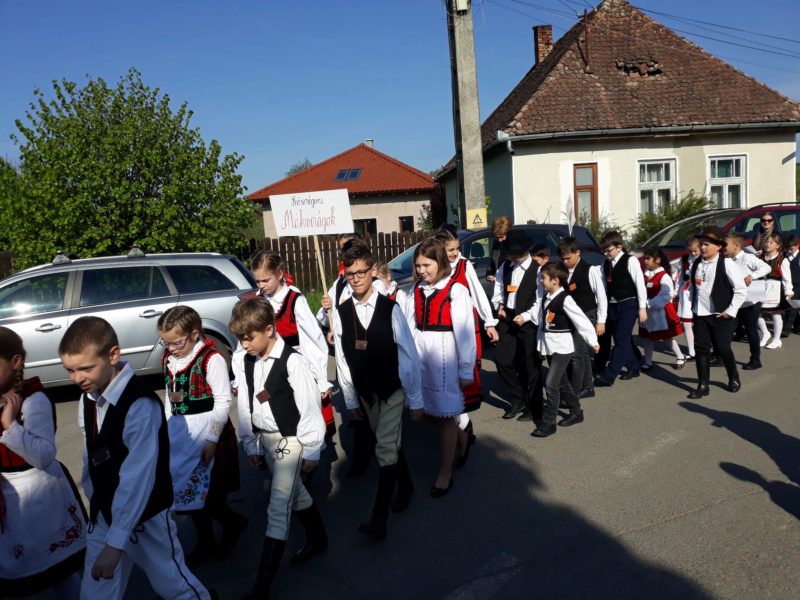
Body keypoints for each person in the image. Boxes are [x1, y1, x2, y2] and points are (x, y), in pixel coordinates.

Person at [59, 316, 210, 600]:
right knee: (95, 594)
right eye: (70, 370)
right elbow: (91, 454)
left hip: (146, 517)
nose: (77, 378)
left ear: (113, 355)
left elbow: (137, 477)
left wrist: (116, 543)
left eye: (86, 368)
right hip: (105, 513)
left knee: (175, 587)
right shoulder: (88, 397)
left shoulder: (140, 405)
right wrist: (97, 505)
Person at [230, 297, 328, 600]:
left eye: (249, 337)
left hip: (291, 439)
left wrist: (312, 449)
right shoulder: (246, 360)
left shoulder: (293, 362)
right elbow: (246, 405)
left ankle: (262, 587)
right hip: (268, 439)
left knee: (278, 505)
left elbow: (309, 407)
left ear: (269, 330)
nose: (244, 344)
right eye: (240, 338)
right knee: (296, 493)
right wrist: (251, 443)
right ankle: (318, 538)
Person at [333, 243, 422, 540]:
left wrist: (415, 398)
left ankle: (379, 518)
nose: (356, 278)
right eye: (351, 274)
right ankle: (406, 485)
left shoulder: (390, 309)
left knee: (384, 447)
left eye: (361, 272)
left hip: (391, 388)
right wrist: (350, 400)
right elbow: (343, 359)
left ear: (373, 271)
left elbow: (408, 354)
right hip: (365, 393)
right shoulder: (342, 312)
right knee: (389, 442)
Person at [0, 327, 86, 599]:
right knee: (22, 569)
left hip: (39, 495)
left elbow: (44, 455)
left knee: (60, 570)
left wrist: (10, 425)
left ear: (15, 362)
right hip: (9, 499)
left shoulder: (33, 400)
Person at [157, 306, 245, 566]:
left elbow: (223, 401)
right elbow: (169, 396)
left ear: (194, 334)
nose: (171, 348)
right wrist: (167, 428)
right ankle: (206, 541)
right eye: (165, 342)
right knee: (188, 492)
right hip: (181, 432)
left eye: (176, 342)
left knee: (211, 494)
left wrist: (212, 439)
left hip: (208, 433)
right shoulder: (169, 358)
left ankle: (233, 523)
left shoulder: (211, 359)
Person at [405, 238, 476, 497]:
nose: (421, 270)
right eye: (418, 265)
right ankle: (462, 436)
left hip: (444, 356)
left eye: (427, 265)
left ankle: (445, 472)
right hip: (421, 354)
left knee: (445, 416)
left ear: (440, 262)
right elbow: (408, 326)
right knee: (429, 412)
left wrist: (466, 369)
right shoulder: (415, 290)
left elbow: (465, 333)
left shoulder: (456, 291)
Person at [317, 234, 382, 479]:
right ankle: (363, 456)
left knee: (378, 415)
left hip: (374, 359)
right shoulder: (339, 284)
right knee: (359, 415)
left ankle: (387, 458)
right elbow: (326, 317)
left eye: (348, 247)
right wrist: (326, 311)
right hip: (349, 356)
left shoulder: (377, 284)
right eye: (342, 251)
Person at [250, 250, 335, 433]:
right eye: (257, 281)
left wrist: (320, 378)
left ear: (280, 274)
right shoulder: (258, 302)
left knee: (303, 413)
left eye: (265, 280)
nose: (261, 285)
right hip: (268, 365)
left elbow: (313, 339)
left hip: (296, 365)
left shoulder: (294, 300)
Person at [434, 226, 499, 459]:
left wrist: (489, 322)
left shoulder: (463, 265)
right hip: (440, 330)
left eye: (456, 248)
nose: (454, 253)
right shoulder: (433, 267)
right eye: (450, 249)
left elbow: (478, 293)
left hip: (463, 327)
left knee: (460, 380)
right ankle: (459, 427)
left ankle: (462, 428)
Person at [525, 263, 599, 437]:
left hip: (563, 349)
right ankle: (576, 412)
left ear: (555, 280)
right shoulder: (546, 297)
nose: (541, 281)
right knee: (562, 382)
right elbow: (542, 325)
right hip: (550, 347)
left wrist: (592, 341)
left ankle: (549, 422)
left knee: (551, 383)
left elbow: (581, 320)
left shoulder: (565, 299)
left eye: (543, 278)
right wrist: (541, 347)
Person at [686, 228, 748, 399]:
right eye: (701, 244)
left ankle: (733, 377)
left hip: (720, 314)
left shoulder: (727, 264)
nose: (702, 248)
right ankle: (703, 385)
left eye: (706, 244)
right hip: (700, 314)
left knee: (722, 347)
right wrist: (692, 307)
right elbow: (692, 288)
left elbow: (741, 290)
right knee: (701, 349)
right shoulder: (696, 264)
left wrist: (730, 311)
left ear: (718, 247)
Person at [491, 230, 544, 422]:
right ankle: (517, 398)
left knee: (529, 366)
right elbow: (498, 289)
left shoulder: (538, 270)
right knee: (502, 359)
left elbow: (540, 300)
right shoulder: (505, 267)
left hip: (527, 322)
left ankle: (534, 405)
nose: (513, 258)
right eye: (511, 254)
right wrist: (499, 305)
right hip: (508, 319)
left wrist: (526, 316)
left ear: (527, 251)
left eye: (517, 255)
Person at [595, 231, 648, 387]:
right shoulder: (606, 264)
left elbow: (640, 284)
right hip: (613, 305)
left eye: (608, 250)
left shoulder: (630, 260)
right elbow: (604, 286)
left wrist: (642, 307)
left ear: (619, 247)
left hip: (628, 304)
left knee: (622, 338)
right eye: (603, 250)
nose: (606, 253)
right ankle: (634, 365)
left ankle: (610, 374)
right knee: (620, 338)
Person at [558, 237, 607, 398]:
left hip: (587, 315)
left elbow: (601, 296)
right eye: (563, 259)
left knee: (577, 355)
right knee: (581, 354)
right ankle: (588, 386)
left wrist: (601, 320)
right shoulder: (563, 271)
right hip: (571, 316)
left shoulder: (589, 270)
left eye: (568, 258)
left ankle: (575, 389)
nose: (565, 262)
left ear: (577, 253)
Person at [724, 233, 771, 370]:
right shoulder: (727, 260)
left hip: (750, 301)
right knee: (727, 329)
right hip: (734, 301)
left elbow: (766, 267)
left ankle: (755, 359)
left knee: (751, 330)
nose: (722, 247)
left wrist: (752, 275)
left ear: (736, 246)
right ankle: (720, 356)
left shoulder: (748, 258)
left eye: (725, 244)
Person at [638, 248, 685, 370]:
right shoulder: (645, 275)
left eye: (648, 259)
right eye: (645, 258)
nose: (645, 261)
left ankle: (680, 356)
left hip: (660, 312)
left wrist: (649, 303)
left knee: (666, 337)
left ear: (657, 260)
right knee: (647, 337)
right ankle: (648, 361)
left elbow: (666, 295)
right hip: (646, 311)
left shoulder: (664, 276)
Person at [757, 233, 794, 350]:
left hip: (775, 288)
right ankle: (765, 333)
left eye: (771, 242)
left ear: (778, 245)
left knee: (776, 314)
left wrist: (788, 291)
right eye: (766, 242)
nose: (767, 244)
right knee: (756, 312)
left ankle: (777, 339)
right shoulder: (760, 258)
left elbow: (787, 277)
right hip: (761, 286)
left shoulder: (782, 260)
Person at [676, 236, 701, 361]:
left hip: (700, 293)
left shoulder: (704, 259)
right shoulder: (684, 259)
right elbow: (680, 276)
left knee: (700, 323)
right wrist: (675, 291)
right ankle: (691, 351)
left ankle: (703, 348)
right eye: (690, 251)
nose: (693, 253)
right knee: (686, 323)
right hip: (686, 292)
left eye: (695, 251)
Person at [783, 235, 800, 335]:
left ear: (797, 245)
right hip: (788, 284)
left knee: (793, 306)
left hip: (797, 285)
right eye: (787, 249)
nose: (789, 251)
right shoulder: (784, 255)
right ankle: (797, 326)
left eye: (791, 249)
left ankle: (786, 329)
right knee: (791, 306)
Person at [486, 215, 512, 283]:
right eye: (497, 237)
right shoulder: (496, 245)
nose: (499, 240)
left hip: (512, 284)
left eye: (501, 237)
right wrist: (489, 274)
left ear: (508, 233)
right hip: (500, 284)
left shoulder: (515, 247)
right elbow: (492, 263)